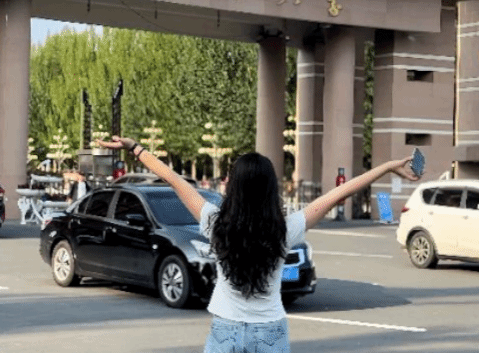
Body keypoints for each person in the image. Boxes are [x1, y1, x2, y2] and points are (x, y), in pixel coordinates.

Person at [98, 136, 419, 353]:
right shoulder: (285, 228)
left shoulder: (214, 223)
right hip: (269, 331)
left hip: (226, 329)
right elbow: (339, 194)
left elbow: (173, 179)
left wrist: (136, 148)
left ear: (233, 186)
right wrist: (387, 166)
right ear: (270, 189)